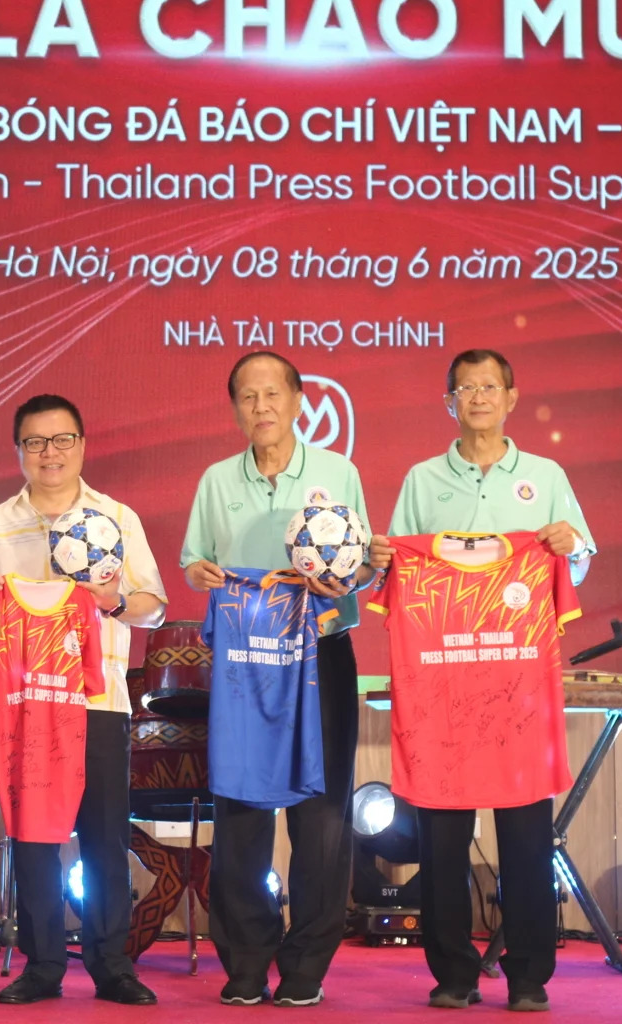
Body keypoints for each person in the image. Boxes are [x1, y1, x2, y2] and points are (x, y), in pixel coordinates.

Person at [369, 348, 594, 1013]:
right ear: (450, 402)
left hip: (518, 688)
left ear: (511, 397)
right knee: (441, 842)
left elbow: (578, 562)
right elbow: (398, 569)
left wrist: (569, 546)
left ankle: (528, 975)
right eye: (465, 388)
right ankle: (453, 973)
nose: (478, 397)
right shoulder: (422, 479)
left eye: (489, 386)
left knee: (526, 839)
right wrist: (383, 556)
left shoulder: (546, 475)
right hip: (441, 690)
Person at [0, 393, 166, 1006]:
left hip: (99, 703)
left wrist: (112, 600)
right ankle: (43, 964)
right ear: (19, 451)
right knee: (34, 838)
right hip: (27, 706)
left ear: (82, 444)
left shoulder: (117, 518)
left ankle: (112, 965)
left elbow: (154, 606)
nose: (50, 452)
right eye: (36, 442)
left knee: (105, 839)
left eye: (62, 439)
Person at [180, 351, 372, 1008]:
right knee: (240, 811)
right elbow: (196, 561)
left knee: (321, 816)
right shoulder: (216, 481)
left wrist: (343, 578)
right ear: (235, 408)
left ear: (297, 402)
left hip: (321, 655)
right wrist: (200, 573)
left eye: (272, 394)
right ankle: (244, 960)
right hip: (246, 664)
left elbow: (362, 564)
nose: (261, 407)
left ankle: (306, 964)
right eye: (247, 396)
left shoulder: (338, 472)